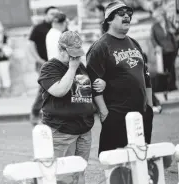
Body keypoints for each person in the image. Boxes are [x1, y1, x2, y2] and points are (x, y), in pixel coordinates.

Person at [86, 1, 154, 155]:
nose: (127, 17)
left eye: (129, 14)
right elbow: (92, 83)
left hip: (142, 115)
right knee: (116, 164)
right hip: (116, 117)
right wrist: (104, 113)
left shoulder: (134, 43)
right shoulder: (100, 47)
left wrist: (149, 107)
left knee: (142, 160)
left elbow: (146, 77)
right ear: (109, 19)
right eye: (121, 14)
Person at [38, 31, 105, 184]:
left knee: (79, 172)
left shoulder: (80, 66)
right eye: (71, 54)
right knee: (62, 176)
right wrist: (72, 68)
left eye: (77, 54)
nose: (75, 58)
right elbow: (59, 91)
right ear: (60, 49)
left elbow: (88, 91)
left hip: (83, 129)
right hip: (62, 130)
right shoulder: (49, 68)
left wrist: (101, 84)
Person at [29, 6, 59, 126]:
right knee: (44, 88)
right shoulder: (38, 28)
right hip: (43, 63)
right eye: (52, 14)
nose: (54, 16)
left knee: (58, 89)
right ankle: (35, 112)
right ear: (46, 15)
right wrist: (38, 59)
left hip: (57, 64)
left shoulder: (59, 27)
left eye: (56, 14)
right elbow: (30, 45)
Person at [151, 8, 178, 91]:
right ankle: (166, 86)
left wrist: (174, 31)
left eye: (158, 16)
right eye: (156, 17)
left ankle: (172, 86)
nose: (157, 18)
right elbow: (153, 38)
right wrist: (156, 46)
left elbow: (176, 33)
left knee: (171, 68)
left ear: (162, 16)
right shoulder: (155, 26)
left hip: (172, 49)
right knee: (165, 68)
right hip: (162, 50)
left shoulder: (169, 23)